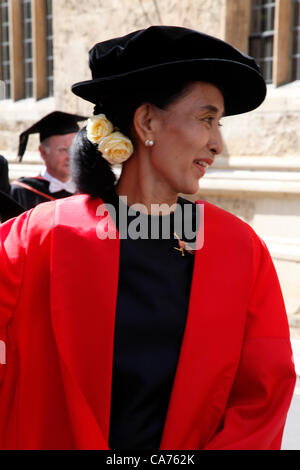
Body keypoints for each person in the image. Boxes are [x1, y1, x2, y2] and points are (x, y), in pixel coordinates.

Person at [0, 26, 296, 450]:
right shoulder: (43, 236)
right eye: (206, 119)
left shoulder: (238, 249)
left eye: (219, 123)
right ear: (147, 122)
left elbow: (263, 392)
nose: (217, 144)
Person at [10, 111, 86, 210]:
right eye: (63, 150)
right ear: (43, 153)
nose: (71, 156)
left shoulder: (90, 190)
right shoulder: (22, 192)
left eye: (75, 148)